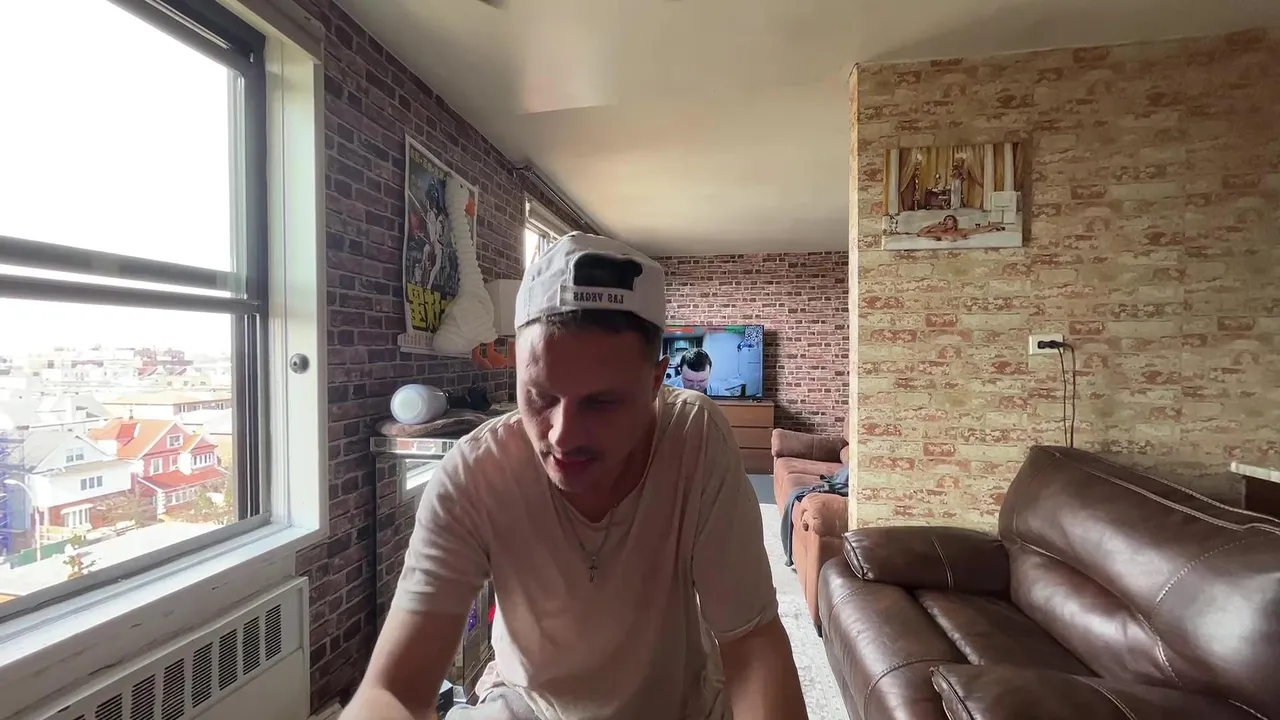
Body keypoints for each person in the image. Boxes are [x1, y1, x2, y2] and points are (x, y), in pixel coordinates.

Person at [344, 233, 808, 720]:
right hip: (532, 706)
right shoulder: (477, 471)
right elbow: (396, 691)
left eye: (602, 402)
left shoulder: (694, 438)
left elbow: (752, 642)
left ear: (656, 382)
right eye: (540, 396)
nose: (562, 436)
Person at [917, 214, 1005, 242]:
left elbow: (979, 230)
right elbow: (921, 233)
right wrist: (934, 225)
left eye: (949, 219)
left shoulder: (961, 232)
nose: (946, 222)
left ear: (955, 223)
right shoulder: (940, 233)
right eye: (945, 220)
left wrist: (993, 226)